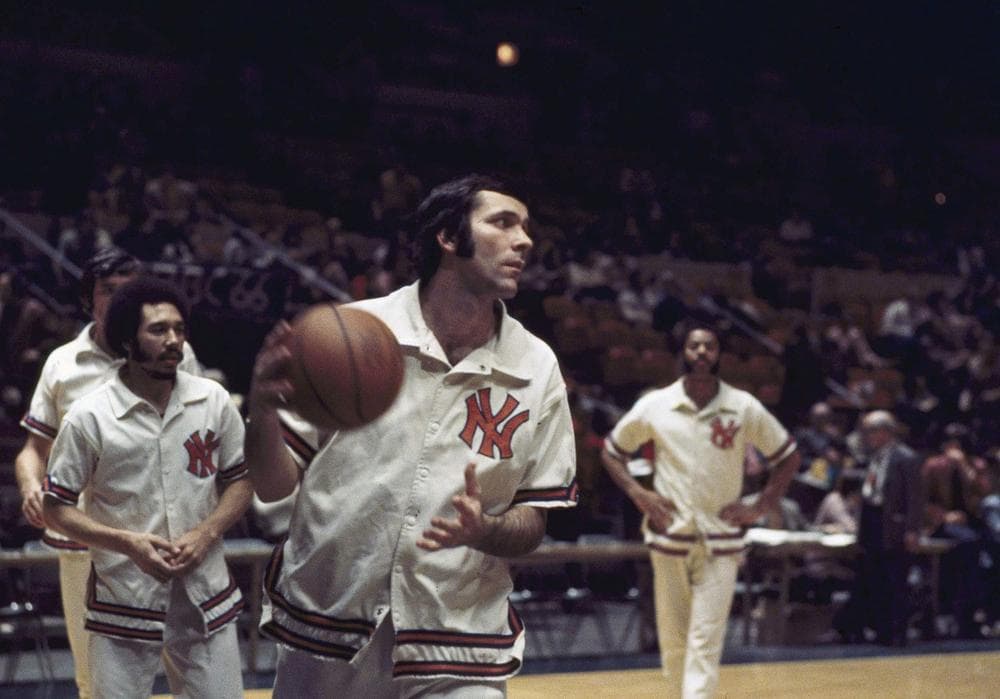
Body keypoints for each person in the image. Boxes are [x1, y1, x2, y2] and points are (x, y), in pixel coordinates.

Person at [245, 174, 578, 697]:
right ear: (448, 237)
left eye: (527, 227)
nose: (525, 240)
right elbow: (271, 487)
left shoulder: (537, 366)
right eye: (503, 222)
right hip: (329, 623)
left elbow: (534, 518)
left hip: (459, 638)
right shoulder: (348, 333)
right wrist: (261, 413)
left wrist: (485, 529)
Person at [42, 277, 250, 698]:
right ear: (126, 340)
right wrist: (127, 543)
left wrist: (206, 532)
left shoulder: (213, 400)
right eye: (158, 330)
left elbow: (241, 481)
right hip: (123, 599)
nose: (173, 340)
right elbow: (55, 508)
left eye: (179, 329)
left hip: (204, 595)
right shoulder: (89, 417)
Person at [14, 248, 200, 699]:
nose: (122, 301)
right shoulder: (62, 363)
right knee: (95, 678)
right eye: (110, 292)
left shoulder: (178, 352)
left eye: (130, 292)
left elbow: (197, 434)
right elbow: (32, 450)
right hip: (86, 541)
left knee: (189, 668)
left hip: (165, 536)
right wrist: (31, 487)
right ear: (89, 300)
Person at [600, 320, 800, 699]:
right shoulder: (655, 404)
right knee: (673, 636)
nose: (702, 353)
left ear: (719, 353)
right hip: (668, 534)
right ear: (683, 352)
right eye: (695, 346)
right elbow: (612, 451)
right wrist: (639, 494)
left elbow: (788, 456)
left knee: (706, 636)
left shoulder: (742, 405)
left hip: (721, 537)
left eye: (709, 346)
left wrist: (761, 505)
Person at [834, 410, 923, 646]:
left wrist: (912, 530)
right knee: (874, 577)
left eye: (870, 431)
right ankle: (880, 629)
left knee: (896, 579)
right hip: (872, 522)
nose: (866, 436)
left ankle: (897, 633)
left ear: (885, 432)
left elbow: (915, 498)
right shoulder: (874, 457)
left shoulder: (906, 457)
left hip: (894, 525)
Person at [921, 424, 993, 638]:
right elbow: (922, 501)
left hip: (973, 521)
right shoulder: (933, 466)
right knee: (968, 548)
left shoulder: (975, 465)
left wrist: (963, 466)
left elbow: (983, 494)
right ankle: (961, 615)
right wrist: (944, 516)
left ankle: (984, 613)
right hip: (942, 523)